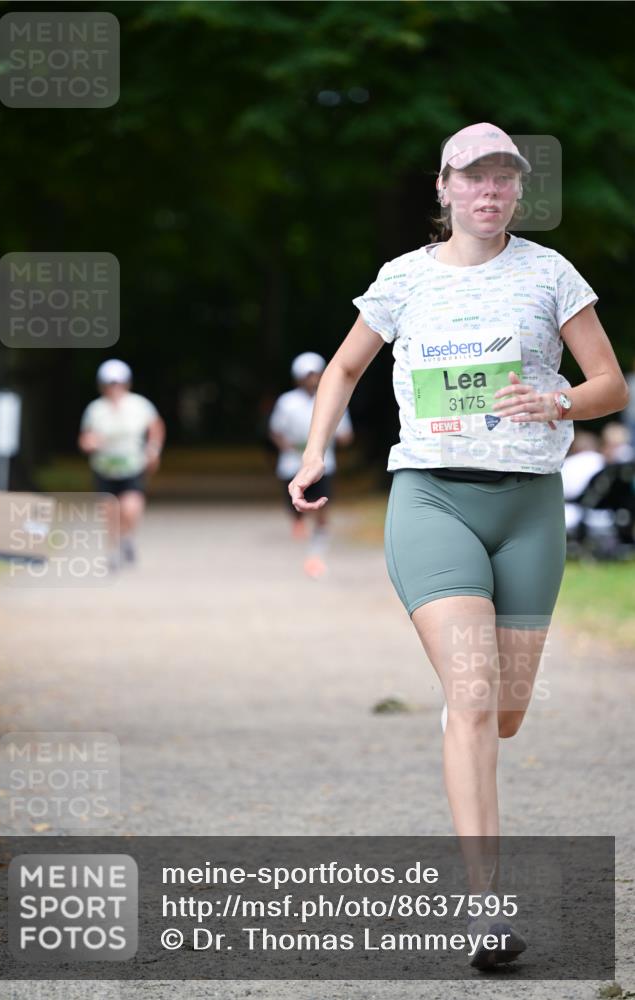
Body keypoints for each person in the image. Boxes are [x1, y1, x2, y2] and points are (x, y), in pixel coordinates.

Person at [287, 123, 628, 969]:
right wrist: (314, 452)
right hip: (432, 498)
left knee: (502, 712)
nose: (489, 191)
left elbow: (609, 385)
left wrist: (556, 402)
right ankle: (485, 909)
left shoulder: (550, 275)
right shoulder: (402, 279)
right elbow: (342, 369)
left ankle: (464, 713)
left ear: (517, 191)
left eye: (503, 178)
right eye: (473, 178)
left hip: (529, 507)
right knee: (475, 698)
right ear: (443, 188)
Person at [269, 352, 353, 578]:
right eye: (308, 375)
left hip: (324, 463)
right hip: (292, 462)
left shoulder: (333, 400)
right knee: (294, 503)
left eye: (316, 374)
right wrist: (287, 447)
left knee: (322, 509)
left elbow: (345, 435)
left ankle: (316, 555)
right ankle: (298, 521)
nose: (312, 379)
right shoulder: (287, 402)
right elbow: (276, 430)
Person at [78, 359, 165, 568]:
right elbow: (85, 437)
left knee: (130, 508)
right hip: (104, 468)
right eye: (110, 383)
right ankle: (114, 550)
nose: (114, 388)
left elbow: (156, 426)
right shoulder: (95, 409)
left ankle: (127, 537)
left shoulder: (139, 405)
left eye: (118, 383)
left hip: (132, 466)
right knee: (110, 512)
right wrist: (89, 443)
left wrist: (153, 449)